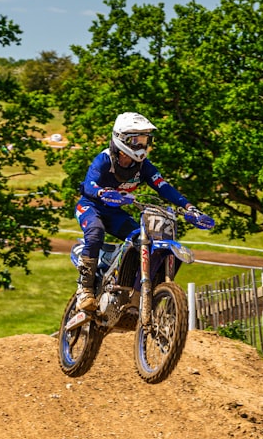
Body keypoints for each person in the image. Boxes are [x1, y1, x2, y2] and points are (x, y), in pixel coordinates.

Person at [73, 112, 213, 311]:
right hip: (90, 206)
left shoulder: (143, 167)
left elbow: (163, 186)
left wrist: (189, 207)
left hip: (114, 212)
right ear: (121, 138)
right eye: (135, 140)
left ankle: (133, 289)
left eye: (145, 140)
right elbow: (88, 184)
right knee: (95, 232)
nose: (141, 145)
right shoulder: (105, 160)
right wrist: (102, 192)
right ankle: (85, 289)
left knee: (142, 239)